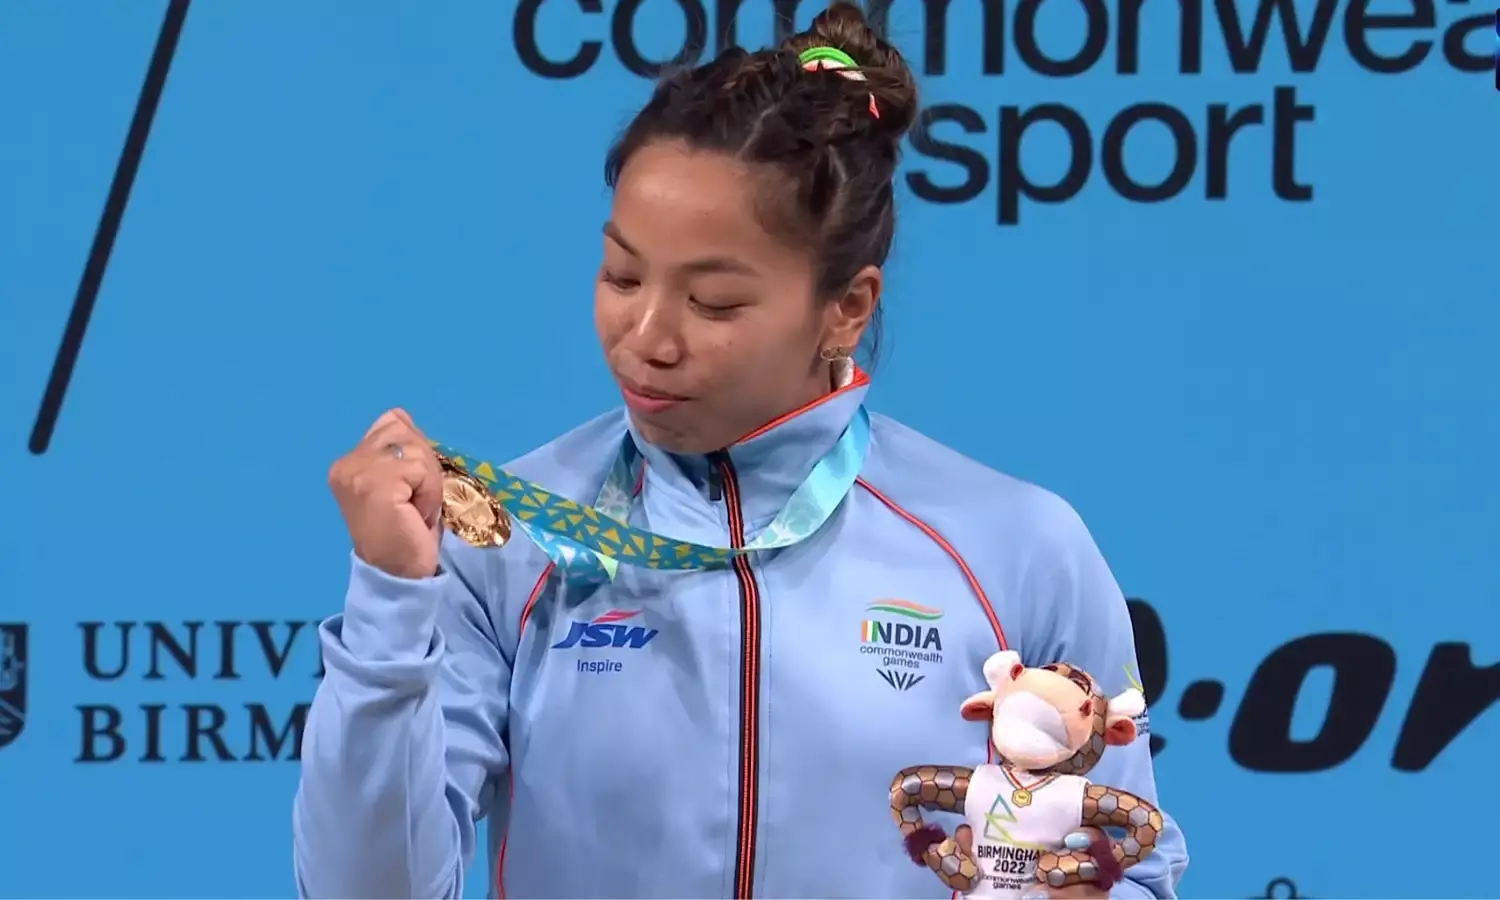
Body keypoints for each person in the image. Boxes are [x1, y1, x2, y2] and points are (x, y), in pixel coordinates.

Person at [292, 4, 1188, 898]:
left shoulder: (1017, 551)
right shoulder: (507, 537)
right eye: (622, 276)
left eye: (713, 303)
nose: (646, 337)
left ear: (848, 308)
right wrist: (391, 605)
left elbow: (1132, 868)